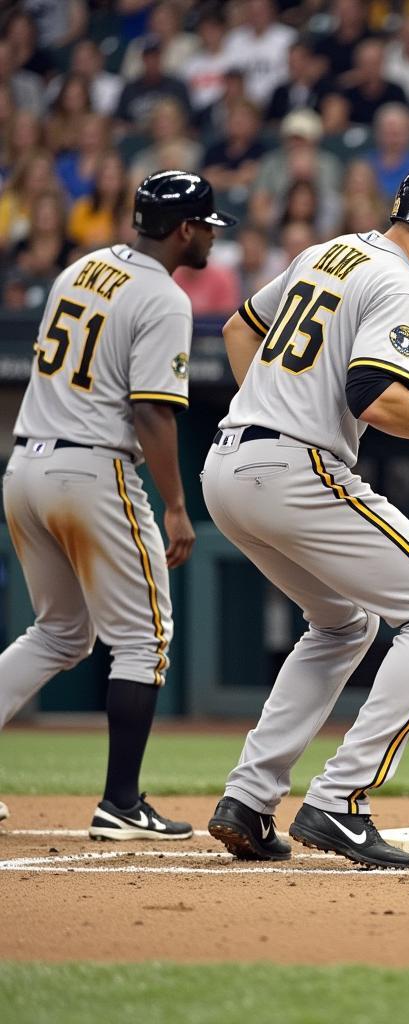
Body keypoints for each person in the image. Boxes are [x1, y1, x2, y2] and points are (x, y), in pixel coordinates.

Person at [204, 165, 409, 869]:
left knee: (344, 624)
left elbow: (238, 328)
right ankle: (341, 801)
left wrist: (270, 403)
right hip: (294, 468)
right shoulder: (402, 285)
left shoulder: (326, 251)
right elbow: (375, 397)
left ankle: (249, 801)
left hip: (228, 466)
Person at [0, 170, 236, 837]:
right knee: (144, 639)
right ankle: (122, 803)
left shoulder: (80, 269)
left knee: (58, 633)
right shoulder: (163, 296)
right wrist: (176, 505)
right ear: (183, 228)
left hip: (25, 466)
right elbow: (153, 413)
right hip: (91, 468)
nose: (211, 241)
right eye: (206, 228)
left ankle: (122, 801)